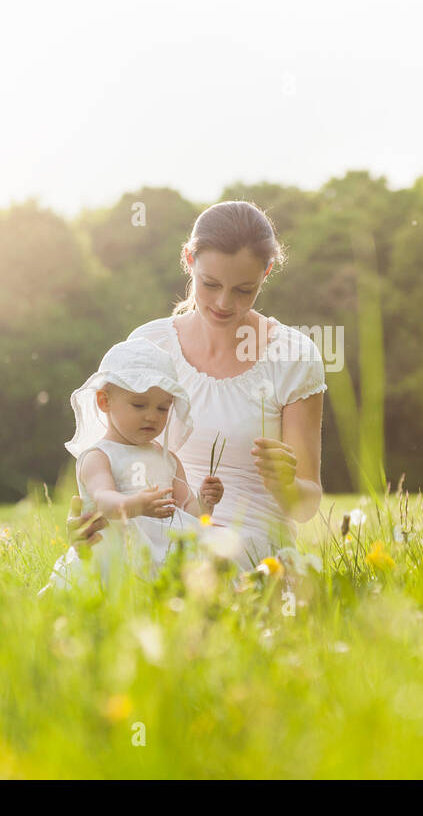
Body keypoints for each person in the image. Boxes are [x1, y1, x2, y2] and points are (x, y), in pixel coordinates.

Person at [123, 200, 327, 570]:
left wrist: (285, 484)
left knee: (205, 571)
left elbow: (307, 505)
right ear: (189, 259)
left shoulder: (293, 356)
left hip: (248, 541)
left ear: (266, 273)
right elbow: (112, 456)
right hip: (164, 529)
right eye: (210, 284)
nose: (223, 303)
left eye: (243, 290)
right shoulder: (148, 345)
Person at [43, 338, 224, 593]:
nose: (152, 415)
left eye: (163, 408)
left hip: (164, 551)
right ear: (104, 401)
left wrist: (205, 502)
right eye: (139, 405)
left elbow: (187, 512)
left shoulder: (168, 459)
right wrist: (137, 505)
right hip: (116, 550)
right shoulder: (99, 456)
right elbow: (104, 500)